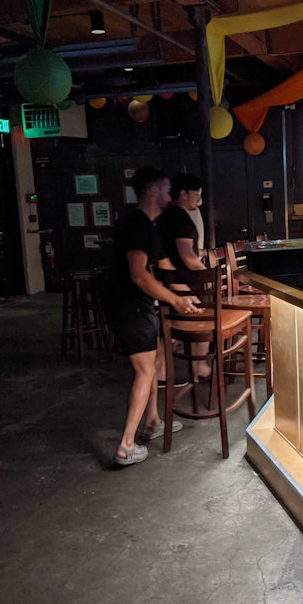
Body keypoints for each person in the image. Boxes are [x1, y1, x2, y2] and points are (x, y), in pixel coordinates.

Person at [112, 166, 201, 467]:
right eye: (165, 190)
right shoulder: (136, 225)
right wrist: (176, 299)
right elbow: (139, 275)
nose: (170, 195)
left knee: (154, 363)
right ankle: (125, 446)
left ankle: (152, 421)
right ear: (153, 192)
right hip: (129, 306)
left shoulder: (150, 226)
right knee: (145, 371)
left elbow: (163, 267)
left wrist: (190, 296)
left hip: (141, 305)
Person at [157, 173, 211, 381]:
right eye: (196, 195)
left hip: (165, 280)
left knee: (172, 325)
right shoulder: (181, 219)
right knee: (204, 316)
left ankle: (161, 370)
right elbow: (187, 256)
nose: (198, 200)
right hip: (179, 282)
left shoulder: (164, 215)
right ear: (183, 194)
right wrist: (208, 277)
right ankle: (198, 367)